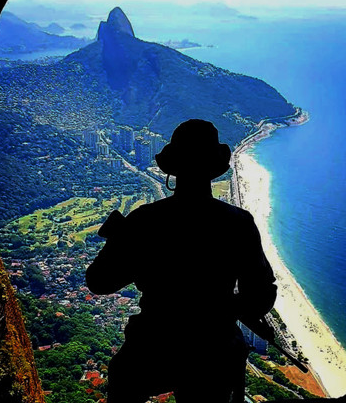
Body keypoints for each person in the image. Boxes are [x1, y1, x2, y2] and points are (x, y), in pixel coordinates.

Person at [86, 119, 277, 403]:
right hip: (214, 350)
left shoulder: (145, 220)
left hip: (153, 345)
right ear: (213, 169)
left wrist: (119, 239)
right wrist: (221, 308)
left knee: (122, 379)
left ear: (172, 170)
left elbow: (99, 281)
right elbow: (262, 293)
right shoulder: (239, 223)